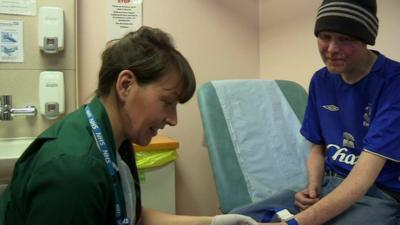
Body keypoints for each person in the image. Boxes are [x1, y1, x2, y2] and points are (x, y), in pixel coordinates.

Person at [0, 26, 259, 225]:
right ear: (126, 85)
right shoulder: (75, 170)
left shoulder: (116, 142)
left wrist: (212, 222)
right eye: (167, 101)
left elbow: (133, 217)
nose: (173, 119)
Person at [231, 0, 400, 225]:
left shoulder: (393, 83)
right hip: (330, 186)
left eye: (345, 39)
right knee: (238, 217)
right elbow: (318, 147)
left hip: (378, 195)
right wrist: (313, 186)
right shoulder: (321, 80)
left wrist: (295, 223)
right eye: (324, 36)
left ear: (366, 40)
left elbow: (362, 179)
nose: (331, 49)